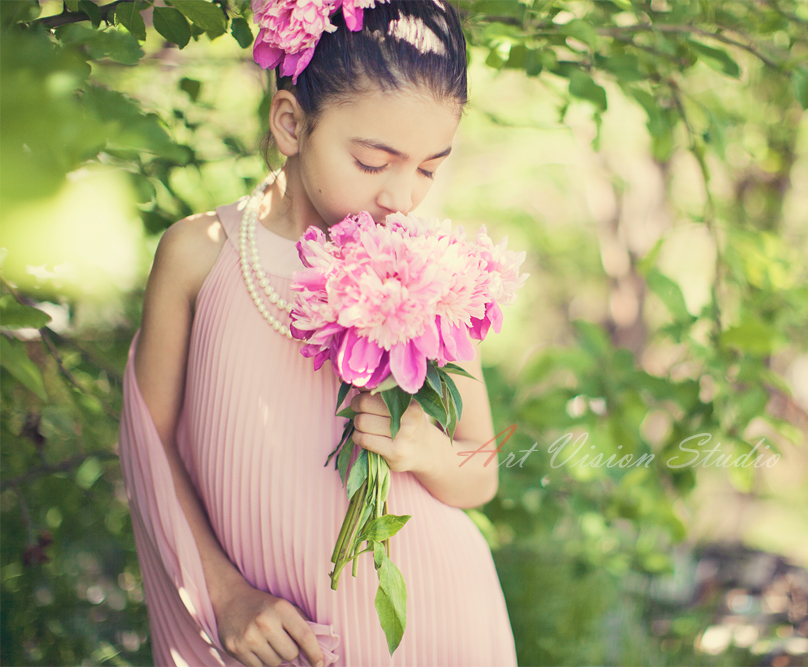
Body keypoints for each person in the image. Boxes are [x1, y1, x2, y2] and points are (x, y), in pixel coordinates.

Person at [117, 1, 518, 665]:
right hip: (265, 635)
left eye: (427, 168)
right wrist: (224, 593)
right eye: (372, 160)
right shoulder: (199, 255)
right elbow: (149, 449)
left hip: (435, 626)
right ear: (291, 122)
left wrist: (426, 449)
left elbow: (482, 470)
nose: (402, 196)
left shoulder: (422, 273)